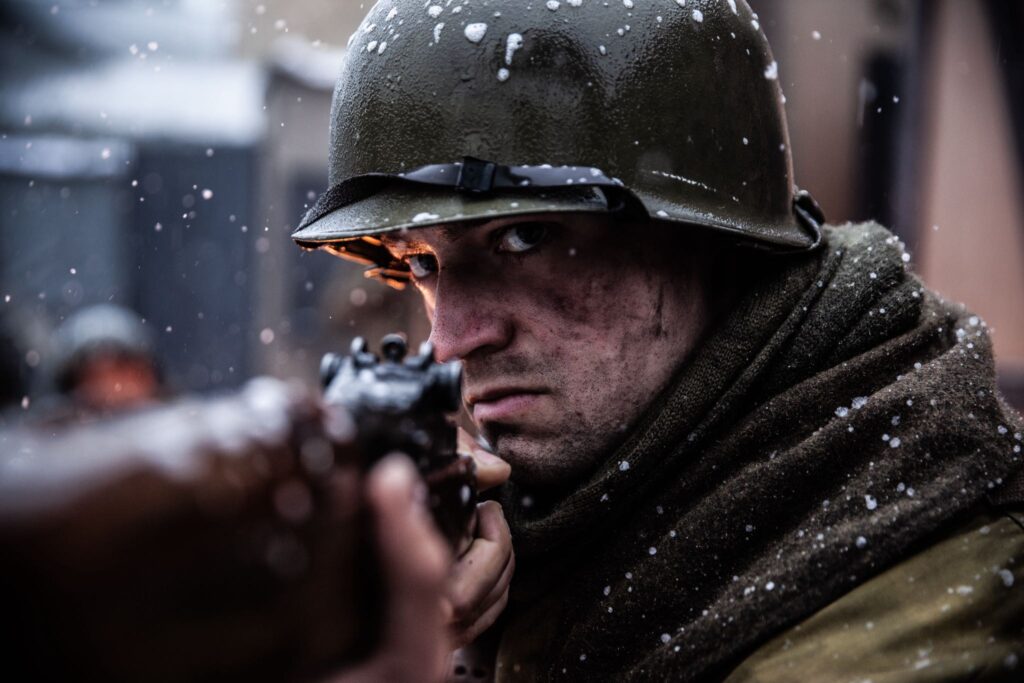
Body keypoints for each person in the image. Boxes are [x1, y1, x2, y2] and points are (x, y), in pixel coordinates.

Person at [293, 1, 1024, 680]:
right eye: (420, 261)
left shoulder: (912, 601)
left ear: (706, 238)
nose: (449, 342)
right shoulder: (588, 505)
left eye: (525, 236)